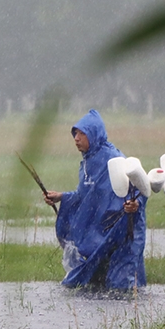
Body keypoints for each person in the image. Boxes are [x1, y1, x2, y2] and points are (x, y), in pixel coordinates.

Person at [43, 109, 147, 291]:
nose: (76, 138)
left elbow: (140, 188)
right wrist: (61, 197)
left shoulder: (114, 159)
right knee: (93, 283)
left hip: (121, 230)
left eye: (82, 134)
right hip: (99, 231)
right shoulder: (88, 162)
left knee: (120, 286)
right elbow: (86, 197)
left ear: (94, 134)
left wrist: (135, 205)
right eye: (75, 134)